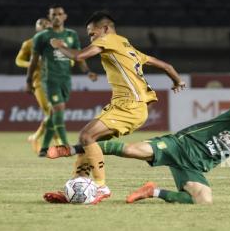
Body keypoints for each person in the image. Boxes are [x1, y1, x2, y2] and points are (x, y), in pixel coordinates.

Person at [44, 92, 230, 204]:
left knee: (203, 200)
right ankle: (77, 147)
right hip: (179, 145)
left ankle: (152, 192)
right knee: (131, 150)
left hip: (195, 167)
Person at [43, 11, 186, 204]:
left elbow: (79, 56)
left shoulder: (109, 39)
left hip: (129, 105)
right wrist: (177, 81)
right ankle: (76, 189)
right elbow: (166, 66)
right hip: (129, 106)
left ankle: (101, 187)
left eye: (92, 34)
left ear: (105, 29)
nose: (91, 38)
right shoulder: (128, 47)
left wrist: (60, 46)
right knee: (89, 142)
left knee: (86, 136)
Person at [26, 5, 98, 157]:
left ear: (65, 16)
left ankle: (44, 148)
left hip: (65, 80)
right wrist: (28, 81)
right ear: (50, 17)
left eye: (59, 14)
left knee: (54, 113)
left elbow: (79, 56)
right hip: (49, 79)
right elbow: (33, 61)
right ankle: (65, 144)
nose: (57, 17)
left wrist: (87, 71)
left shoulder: (71, 35)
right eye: (53, 14)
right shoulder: (42, 36)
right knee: (59, 108)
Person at [16, 18, 62, 154]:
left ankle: (35, 137)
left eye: (47, 24)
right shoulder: (29, 44)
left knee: (53, 112)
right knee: (50, 111)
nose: (44, 26)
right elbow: (18, 60)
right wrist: (30, 64)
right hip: (39, 82)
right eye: (41, 24)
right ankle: (58, 142)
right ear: (36, 27)